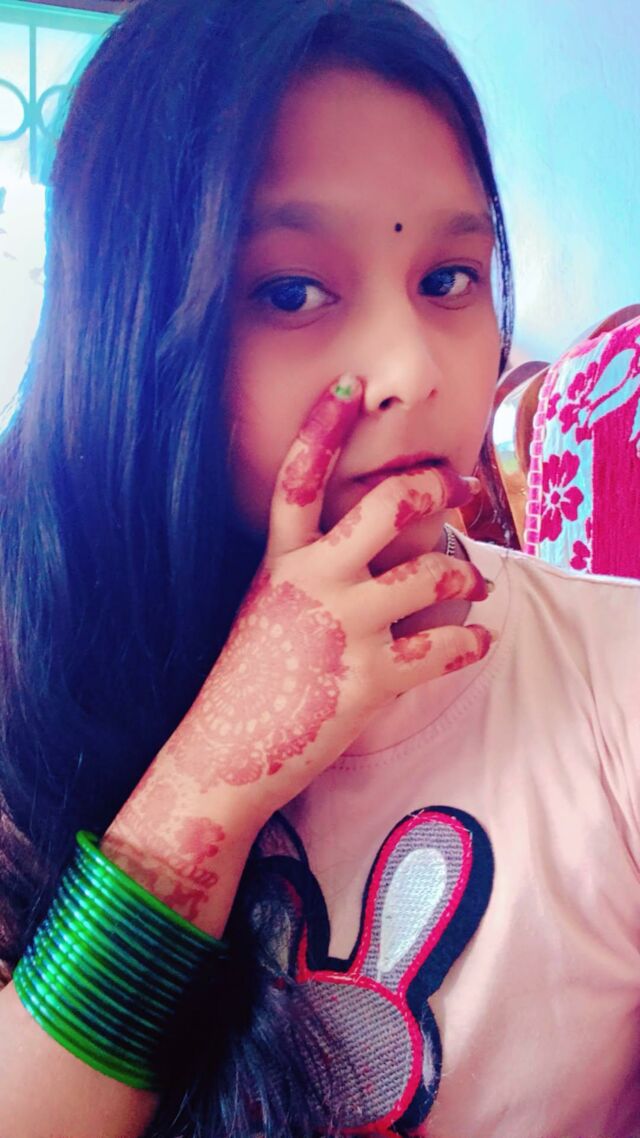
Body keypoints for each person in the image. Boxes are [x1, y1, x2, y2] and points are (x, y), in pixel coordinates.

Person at [0, 1, 639, 1136]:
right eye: (291, 291)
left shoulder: (615, 673)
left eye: (450, 277)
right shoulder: (25, 683)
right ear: (127, 330)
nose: (412, 370)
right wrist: (215, 772)